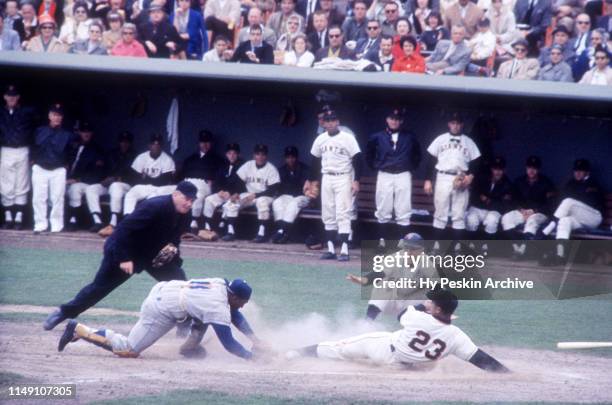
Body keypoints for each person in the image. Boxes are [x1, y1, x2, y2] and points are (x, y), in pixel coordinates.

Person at [43, 181, 197, 331]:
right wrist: (123, 258)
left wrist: (175, 260)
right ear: (175, 194)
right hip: (124, 248)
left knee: (180, 285)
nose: (189, 203)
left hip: (150, 254)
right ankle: (62, 313)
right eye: (187, 199)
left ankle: (184, 325)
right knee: (100, 288)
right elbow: (123, 230)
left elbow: (174, 239)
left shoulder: (185, 213)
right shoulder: (154, 206)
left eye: (192, 200)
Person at [286, 288, 510, 374]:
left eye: (431, 301)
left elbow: (402, 314)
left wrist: (424, 307)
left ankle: (293, 353)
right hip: (406, 368)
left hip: (383, 349)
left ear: (439, 308)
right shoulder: (457, 336)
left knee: (338, 349)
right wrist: (507, 374)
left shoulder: (419, 317)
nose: (427, 302)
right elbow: (481, 359)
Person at [57, 277, 261, 360]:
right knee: (128, 349)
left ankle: (189, 347)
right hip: (161, 308)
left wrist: (257, 340)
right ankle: (80, 330)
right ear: (233, 295)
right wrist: (251, 357)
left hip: (168, 289)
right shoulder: (217, 306)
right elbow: (229, 343)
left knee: (202, 315)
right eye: (242, 301)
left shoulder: (222, 283)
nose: (243, 305)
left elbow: (234, 313)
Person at [306, 109, 362, 262]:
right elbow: (314, 161)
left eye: (333, 120)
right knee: (328, 213)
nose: (330, 123)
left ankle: (344, 250)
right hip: (327, 177)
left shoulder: (347, 138)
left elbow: (358, 160)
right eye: (327, 120)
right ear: (323, 123)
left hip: (343, 177)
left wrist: (356, 180)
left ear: (338, 122)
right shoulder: (320, 139)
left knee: (343, 212)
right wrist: (311, 181)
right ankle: (331, 249)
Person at [366, 108, 421, 249]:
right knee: (383, 206)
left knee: (403, 208)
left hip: (403, 174)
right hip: (385, 174)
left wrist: (408, 166)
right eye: (392, 118)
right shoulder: (377, 137)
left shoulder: (410, 136)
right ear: (387, 119)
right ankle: (382, 241)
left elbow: (417, 155)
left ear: (401, 121)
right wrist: (377, 165)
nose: (394, 121)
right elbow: (369, 155)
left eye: (397, 119)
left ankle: (402, 242)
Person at [423, 112, 481, 242]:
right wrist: (427, 180)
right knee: (440, 213)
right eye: (453, 123)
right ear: (449, 124)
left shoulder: (468, 141)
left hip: (461, 178)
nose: (456, 126)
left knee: (459, 215)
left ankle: (457, 250)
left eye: (458, 123)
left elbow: (477, 162)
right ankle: (437, 248)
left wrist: (470, 176)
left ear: (462, 125)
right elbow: (430, 161)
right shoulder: (440, 139)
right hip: (443, 176)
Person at [540, 159, 604, 265]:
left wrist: (573, 203)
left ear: (587, 172)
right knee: (564, 221)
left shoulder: (593, 184)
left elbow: (590, 203)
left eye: (581, 170)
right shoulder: (571, 183)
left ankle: (545, 232)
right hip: (578, 219)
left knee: (569, 201)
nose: (578, 173)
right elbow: (561, 201)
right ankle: (560, 255)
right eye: (576, 170)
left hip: (594, 218)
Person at [221, 144, 280, 242]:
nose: (260, 157)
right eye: (258, 154)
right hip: (249, 194)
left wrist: (256, 195)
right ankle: (230, 232)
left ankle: (261, 234)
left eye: (263, 155)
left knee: (262, 202)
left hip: (265, 195)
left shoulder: (271, 169)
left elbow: (273, 190)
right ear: (254, 155)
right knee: (232, 202)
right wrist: (236, 193)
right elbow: (238, 181)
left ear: (266, 156)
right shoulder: (248, 165)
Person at [501, 156, 556, 260]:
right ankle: (517, 249)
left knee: (532, 221)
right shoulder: (519, 181)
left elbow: (551, 203)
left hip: (539, 213)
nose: (531, 170)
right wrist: (519, 209)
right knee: (506, 218)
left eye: (534, 168)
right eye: (529, 168)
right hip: (522, 211)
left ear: (538, 169)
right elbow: (510, 198)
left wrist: (534, 210)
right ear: (526, 168)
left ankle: (522, 251)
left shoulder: (546, 182)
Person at [31, 104, 75, 234]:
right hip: (40, 167)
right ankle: (40, 224)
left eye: (59, 115)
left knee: (57, 198)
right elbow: (32, 145)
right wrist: (33, 160)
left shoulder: (67, 135)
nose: (57, 117)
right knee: (38, 197)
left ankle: (56, 225)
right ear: (49, 116)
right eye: (54, 115)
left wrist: (67, 164)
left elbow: (72, 151)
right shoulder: (39, 130)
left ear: (62, 118)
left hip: (58, 169)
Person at [0, 85, 36, 231]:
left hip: (22, 150)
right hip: (6, 150)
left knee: (21, 183)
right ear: (5, 97)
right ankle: (8, 216)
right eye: (9, 96)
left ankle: (19, 217)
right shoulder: (0, 112)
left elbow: (34, 133)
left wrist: (33, 154)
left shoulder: (27, 112)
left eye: (14, 96)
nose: (11, 98)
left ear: (18, 97)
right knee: (6, 183)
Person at [65, 121, 107, 231]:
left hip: (89, 182)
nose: (86, 134)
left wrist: (77, 180)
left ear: (92, 133)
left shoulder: (96, 149)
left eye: (88, 132)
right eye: (83, 132)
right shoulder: (73, 147)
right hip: (69, 180)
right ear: (79, 133)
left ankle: (75, 219)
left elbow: (97, 173)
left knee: (75, 188)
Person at [465, 157, 513, 250]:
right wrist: (486, 200)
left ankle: (485, 247)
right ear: (492, 169)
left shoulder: (507, 183)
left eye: (500, 169)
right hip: (477, 208)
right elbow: (474, 196)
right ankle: (470, 246)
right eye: (495, 169)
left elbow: (503, 204)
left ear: (504, 170)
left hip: (494, 210)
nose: (498, 172)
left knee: (491, 221)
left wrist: (487, 201)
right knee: (471, 220)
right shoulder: (482, 178)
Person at [179, 130, 223, 233]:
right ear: (199, 143)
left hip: (204, 185)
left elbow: (220, 177)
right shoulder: (191, 158)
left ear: (211, 143)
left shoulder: (217, 159)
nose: (205, 145)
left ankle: (194, 222)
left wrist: (214, 184)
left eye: (207, 142)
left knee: (197, 196)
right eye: (203, 142)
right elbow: (182, 174)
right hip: (189, 182)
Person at [95, 131, 137, 236]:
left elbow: (134, 175)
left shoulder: (135, 155)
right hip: (110, 183)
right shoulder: (112, 153)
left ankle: (113, 222)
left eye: (127, 142)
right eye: (122, 141)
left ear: (130, 143)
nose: (124, 144)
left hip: (126, 185)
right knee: (92, 189)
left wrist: (119, 178)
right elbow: (105, 169)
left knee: (116, 186)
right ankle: (97, 221)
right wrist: (104, 179)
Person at [123, 134, 176, 216]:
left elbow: (164, 181)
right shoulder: (141, 157)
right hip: (143, 187)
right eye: (153, 144)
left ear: (161, 146)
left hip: (159, 189)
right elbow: (134, 178)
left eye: (158, 144)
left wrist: (145, 178)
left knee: (151, 199)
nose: (155, 146)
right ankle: (127, 218)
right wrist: (148, 180)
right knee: (130, 194)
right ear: (149, 145)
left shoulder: (167, 160)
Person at [270, 146, 311, 244]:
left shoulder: (305, 169)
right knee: (277, 202)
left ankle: (281, 231)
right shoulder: (281, 170)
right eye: (288, 157)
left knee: (293, 204)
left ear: (296, 157)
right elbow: (278, 188)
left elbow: (309, 188)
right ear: (285, 158)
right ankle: (283, 233)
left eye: (292, 157)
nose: (290, 159)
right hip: (287, 196)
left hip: (302, 197)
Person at [202, 143, 243, 236]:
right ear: (226, 154)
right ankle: (207, 227)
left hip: (235, 195)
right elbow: (216, 182)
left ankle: (224, 225)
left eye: (234, 153)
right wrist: (219, 191)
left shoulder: (243, 166)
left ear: (238, 155)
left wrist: (232, 193)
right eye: (229, 153)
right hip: (223, 194)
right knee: (209, 200)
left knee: (230, 203)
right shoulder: (223, 166)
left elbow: (242, 185)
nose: (232, 156)